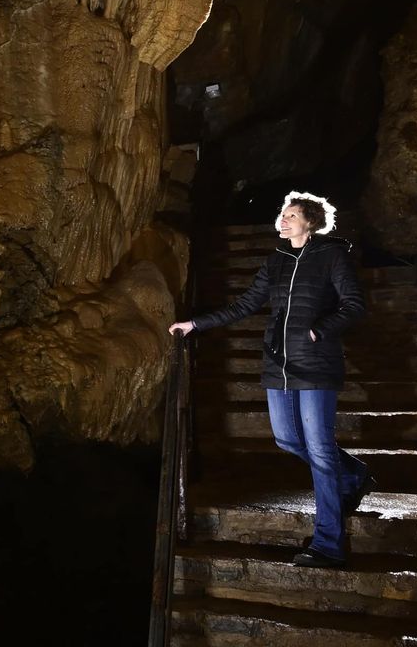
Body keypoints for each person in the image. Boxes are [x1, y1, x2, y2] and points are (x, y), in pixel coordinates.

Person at [169, 191, 373, 565]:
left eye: (291, 214)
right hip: (277, 365)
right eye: (282, 213)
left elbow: (354, 305)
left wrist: (319, 330)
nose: (283, 219)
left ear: (309, 222)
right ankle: (354, 474)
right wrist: (195, 324)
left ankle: (329, 544)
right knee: (286, 439)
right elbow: (245, 304)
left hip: (316, 365)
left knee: (321, 451)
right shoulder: (276, 261)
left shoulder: (331, 255)